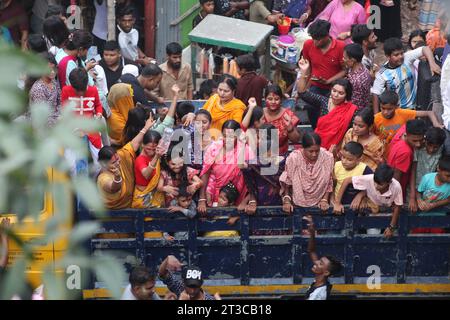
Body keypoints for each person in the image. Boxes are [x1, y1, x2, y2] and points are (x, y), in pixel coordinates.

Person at [297, 58, 358, 151]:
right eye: (334, 91)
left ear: (347, 96)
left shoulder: (351, 111)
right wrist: (304, 72)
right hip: (316, 146)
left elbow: (350, 133)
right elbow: (302, 93)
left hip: (336, 149)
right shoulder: (324, 101)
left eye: (341, 93)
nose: (336, 95)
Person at [97, 117, 155, 209]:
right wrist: (117, 177)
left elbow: (134, 144)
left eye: (118, 159)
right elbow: (113, 187)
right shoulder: (103, 178)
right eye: (113, 162)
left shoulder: (121, 157)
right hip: (114, 218)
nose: (118, 162)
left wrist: (146, 127)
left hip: (132, 209)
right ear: (103, 164)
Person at [371, 37, 441, 113]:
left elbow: (425, 48)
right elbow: (376, 94)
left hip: (416, 107)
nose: (400, 56)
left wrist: (432, 64)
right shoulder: (382, 74)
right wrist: (376, 116)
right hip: (397, 112)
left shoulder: (407, 57)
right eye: (396, 55)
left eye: (401, 53)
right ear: (388, 56)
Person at [334, 164, 403, 239]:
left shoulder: (396, 186)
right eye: (375, 182)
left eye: (380, 185)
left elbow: (397, 206)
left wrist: (391, 227)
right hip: (372, 214)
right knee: (373, 236)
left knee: (394, 237)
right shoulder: (369, 178)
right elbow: (347, 180)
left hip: (389, 215)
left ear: (389, 182)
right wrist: (337, 203)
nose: (376, 186)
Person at [197, 120, 251, 213]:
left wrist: (245, 201)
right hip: (213, 192)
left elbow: (251, 177)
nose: (228, 140)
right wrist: (202, 199)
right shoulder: (214, 148)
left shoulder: (245, 150)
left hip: (236, 195)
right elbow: (206, 172)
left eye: (232, 137)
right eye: (225, 136)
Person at [300, 19, 346, 128]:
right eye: (313, 39)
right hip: (315, 86)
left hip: (333, 88)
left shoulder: (340, 47)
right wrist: (305, 85)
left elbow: (345, 70)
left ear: (326, 36)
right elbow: (308, 67)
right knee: (311, 108)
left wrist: (329, 81)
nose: (315, 43)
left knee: (329, 114)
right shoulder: (308, 45)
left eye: (318, 40)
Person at [280, 132, 334, 212]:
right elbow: (287, 183)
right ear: (303, 148)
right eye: (311, 151)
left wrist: (324, 200)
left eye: (317, 151)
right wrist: (287, 201)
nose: (314, 154)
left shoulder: (327, 157)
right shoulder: (294, 158)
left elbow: (329, 181)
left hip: (320, 205)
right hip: (297, 204)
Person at [374, 90, 442, 149]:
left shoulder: (402, 113)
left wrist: (436, 124)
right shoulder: (375, 119)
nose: (386, 112)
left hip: (400, 148)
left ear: (396, 107)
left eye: (389, 109)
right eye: (383, 108)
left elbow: (429, 113)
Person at [61, 68, 104, 161]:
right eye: (77, 90)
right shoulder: (65, 90)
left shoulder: (93, 90)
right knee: (70, 163)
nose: (80, 93)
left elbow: (98, 105)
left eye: (82, 90)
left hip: (91, 128)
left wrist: (99, 114)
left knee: (99, 160)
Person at [241, 123, 285, 212]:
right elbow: (242, 166)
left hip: (281, 206)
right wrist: (243, 144)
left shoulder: (285, 161)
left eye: (263, 138)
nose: (259, 141)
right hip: (259, 206)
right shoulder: (255, 162)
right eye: (259, 138)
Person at [303, 215, 342, 300]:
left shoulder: (318, 295)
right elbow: (312, 251)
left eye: (320, 263)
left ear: (326, 272)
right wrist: (312, 233)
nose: (316, 262)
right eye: (319, 261)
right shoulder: (320, 282)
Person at [409, 127, 446, 212]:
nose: (431, 149)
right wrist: (413, 197)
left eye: (435, 147)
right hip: (414, 187)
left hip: (429, 190)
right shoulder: (417, 148)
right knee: (412, 209)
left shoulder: (442, 149)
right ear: (425, 140)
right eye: (429, 145)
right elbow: (413, 171)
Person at [388, 119, 427, 197]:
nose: (418, 144)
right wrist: (395, 195)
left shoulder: (404, 131)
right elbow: (397, 175)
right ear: (406, 135)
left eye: (421, 140)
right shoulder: (406, 152)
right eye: (414, 141)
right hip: (398, 186)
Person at [202, 75, 246, 139]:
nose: (222, 93)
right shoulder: (213, 98)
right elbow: (202, 114)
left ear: (233, 91)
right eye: (220, 89)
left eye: (226, 91)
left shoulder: (238, 107)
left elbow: (235, 129)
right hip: (206, 140)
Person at [413, 157, 450, 233]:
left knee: (435, 240)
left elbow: (449, 200)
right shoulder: (427, 178)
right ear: (438, 169)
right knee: (417, 238)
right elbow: (419, 192)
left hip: (439, 216)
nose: (449, 179)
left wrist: (434, 205)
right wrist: (419, 200)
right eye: (447, 176)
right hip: (421, 215)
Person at [261, 85, 301, 154]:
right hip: (260, 154)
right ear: (264, 99)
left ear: (281, 100)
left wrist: (290, 128)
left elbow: (296, 140)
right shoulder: (260, 114)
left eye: (276, 99)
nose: (273, 102)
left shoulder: (288, 115)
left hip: (281, 155)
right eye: (270, 99)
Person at [132, 130, 166, 209]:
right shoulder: (140, 159)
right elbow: (146, 174)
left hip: (156, 196)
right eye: (148, 149)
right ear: (142, 145)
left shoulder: (160, 155)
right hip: (143, 198)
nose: (151, 152)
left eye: (154, 149)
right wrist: (156, 156)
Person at [333, 141, 373, 207]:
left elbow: (373, 185)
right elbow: (332, 185)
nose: (344, 161)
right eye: (343, 157)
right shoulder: (337, 165)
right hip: (337, 204)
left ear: (358, 160)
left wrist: (361, 195)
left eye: (349, 160)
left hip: (355, 206)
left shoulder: (364, 169)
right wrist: (334, 201)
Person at [28, 52, 61, 128]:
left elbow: (59, 102)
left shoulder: (54, 82)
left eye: (54, 68)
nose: (52, 71)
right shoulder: (38, 89)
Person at [343, 43, 371, 110]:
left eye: (345, 58)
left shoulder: (357, 81)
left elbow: (356, 103)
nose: (343, 59)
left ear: (352, 60)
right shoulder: (362, 68)